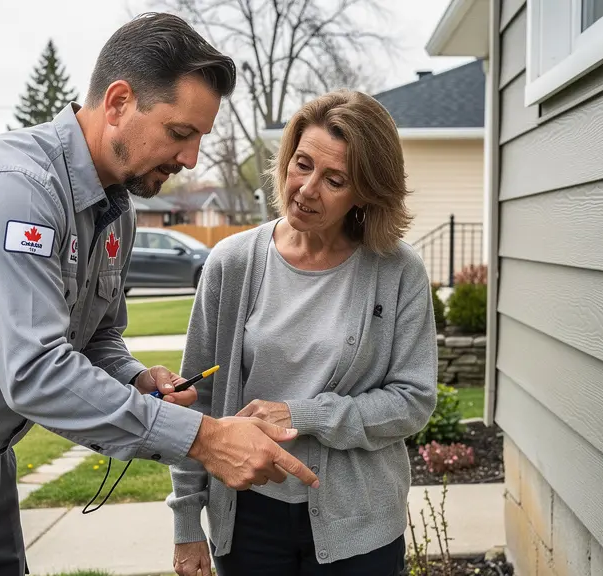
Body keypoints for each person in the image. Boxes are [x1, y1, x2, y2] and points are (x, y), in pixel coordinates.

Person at [0, 12, 319, 576]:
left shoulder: (115, 211)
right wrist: (205, 437)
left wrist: (136, 378)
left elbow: (95, 340)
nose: (189, 158)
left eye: (198, 139)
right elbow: (36, 370)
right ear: (118, 103)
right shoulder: (11, 189)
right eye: (179, 132)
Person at [167, 90, 440, 576]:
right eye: (302, 164)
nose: (307, 189)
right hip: (247, 517)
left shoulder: (397, 272)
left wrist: (303, 414)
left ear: (365, 192)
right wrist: (187, 523)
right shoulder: (232, 263)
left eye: (334, 180)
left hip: (360, 522)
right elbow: (195, 402)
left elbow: (413, 400)